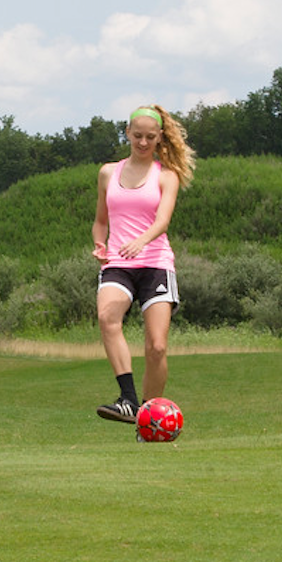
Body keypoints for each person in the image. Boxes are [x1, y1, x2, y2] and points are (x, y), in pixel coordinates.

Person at [91, 104, 195, 425]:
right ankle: (128, 400)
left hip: (155, 264)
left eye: (150, 137)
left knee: (157, 347)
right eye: (137, 136)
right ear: (127, 134)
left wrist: (141, 241)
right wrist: (99, 243)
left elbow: (162, 221)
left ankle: (147, 417)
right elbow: (100, 222)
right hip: (119, 264)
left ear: (160, 137)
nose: (143, 142)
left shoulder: (167, 176)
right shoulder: (109, 172)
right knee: (108, 316)